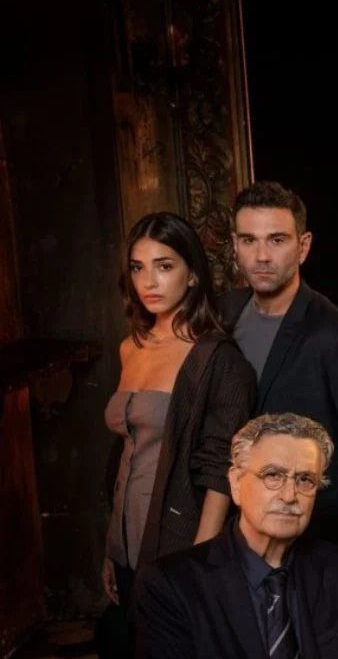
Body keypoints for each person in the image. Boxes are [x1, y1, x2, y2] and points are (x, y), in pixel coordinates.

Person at [136, 413, 338, 658]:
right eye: (272, 475)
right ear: (236, 483)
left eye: (305, 479)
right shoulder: (171, 585)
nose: (290, 495)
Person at [97, 212, 255, 658]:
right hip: (125, 538)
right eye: (138, 267)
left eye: (164, 266)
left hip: (178, 539)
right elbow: (128, 455)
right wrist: (111, 548)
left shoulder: (217, 358)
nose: (149, 281)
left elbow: (221, 468)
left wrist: (201, 563)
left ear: (192, 275)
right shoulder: (131, 346)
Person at [221, 181, 338, 548]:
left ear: (303, 247)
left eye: (276, 240)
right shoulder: (223, 313)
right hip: (238, 532)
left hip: (316, 536)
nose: (261, 255)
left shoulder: (337, 337)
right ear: (235, 245)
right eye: (249, 240)